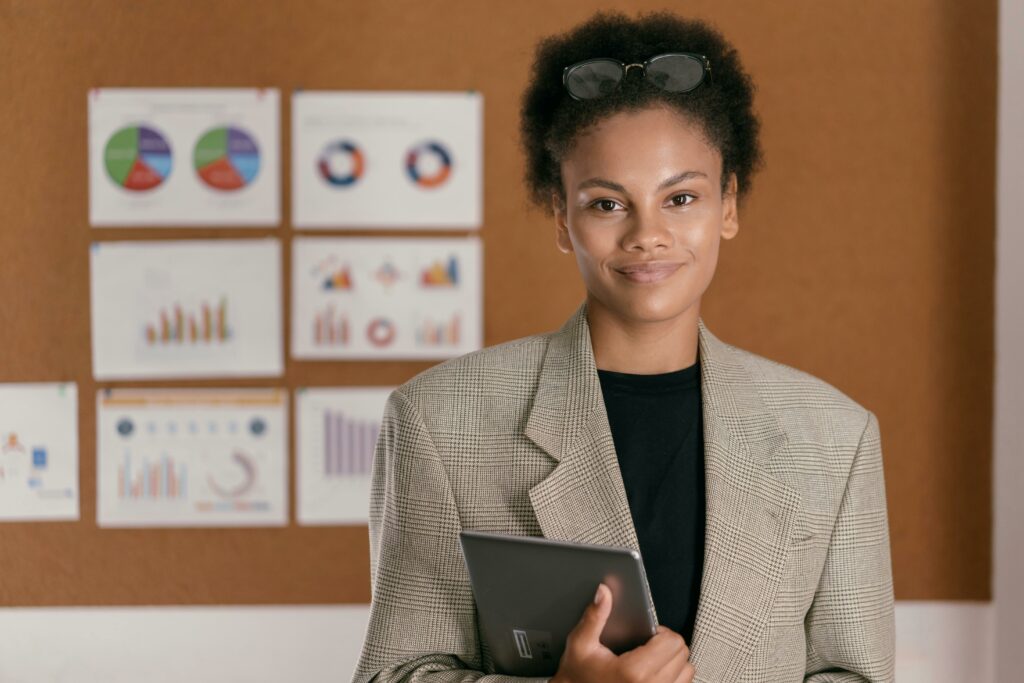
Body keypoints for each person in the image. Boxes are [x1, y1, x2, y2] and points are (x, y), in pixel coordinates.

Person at [352, 10, 894, 683]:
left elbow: (856, 674)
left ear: (728, 203)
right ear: (561, 214)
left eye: (682, 197)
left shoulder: (835, 438)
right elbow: (396, 673)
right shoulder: (439, 418)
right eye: (608, 203)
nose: (648, 235)